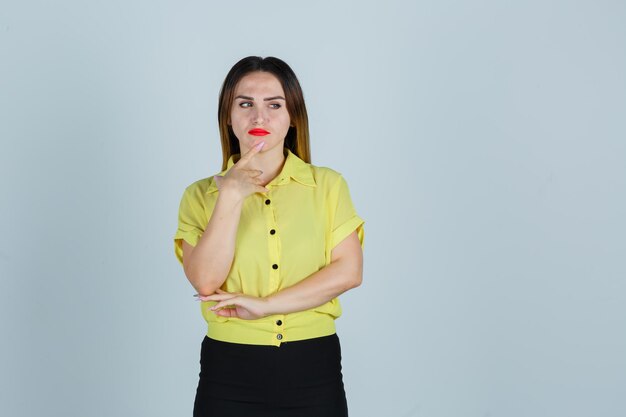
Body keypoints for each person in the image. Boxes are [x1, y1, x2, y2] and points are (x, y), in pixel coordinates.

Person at [173, 56, 365, 417]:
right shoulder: (199, 196)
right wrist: (230, 195)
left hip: (314, 370)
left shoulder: (328, 186)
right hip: (228, 372)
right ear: (228, 117)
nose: (259, 118)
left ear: (292, 116)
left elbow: (348, 272)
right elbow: (206, 279)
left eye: (273, 105)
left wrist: (263, 305)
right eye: (245, 104)